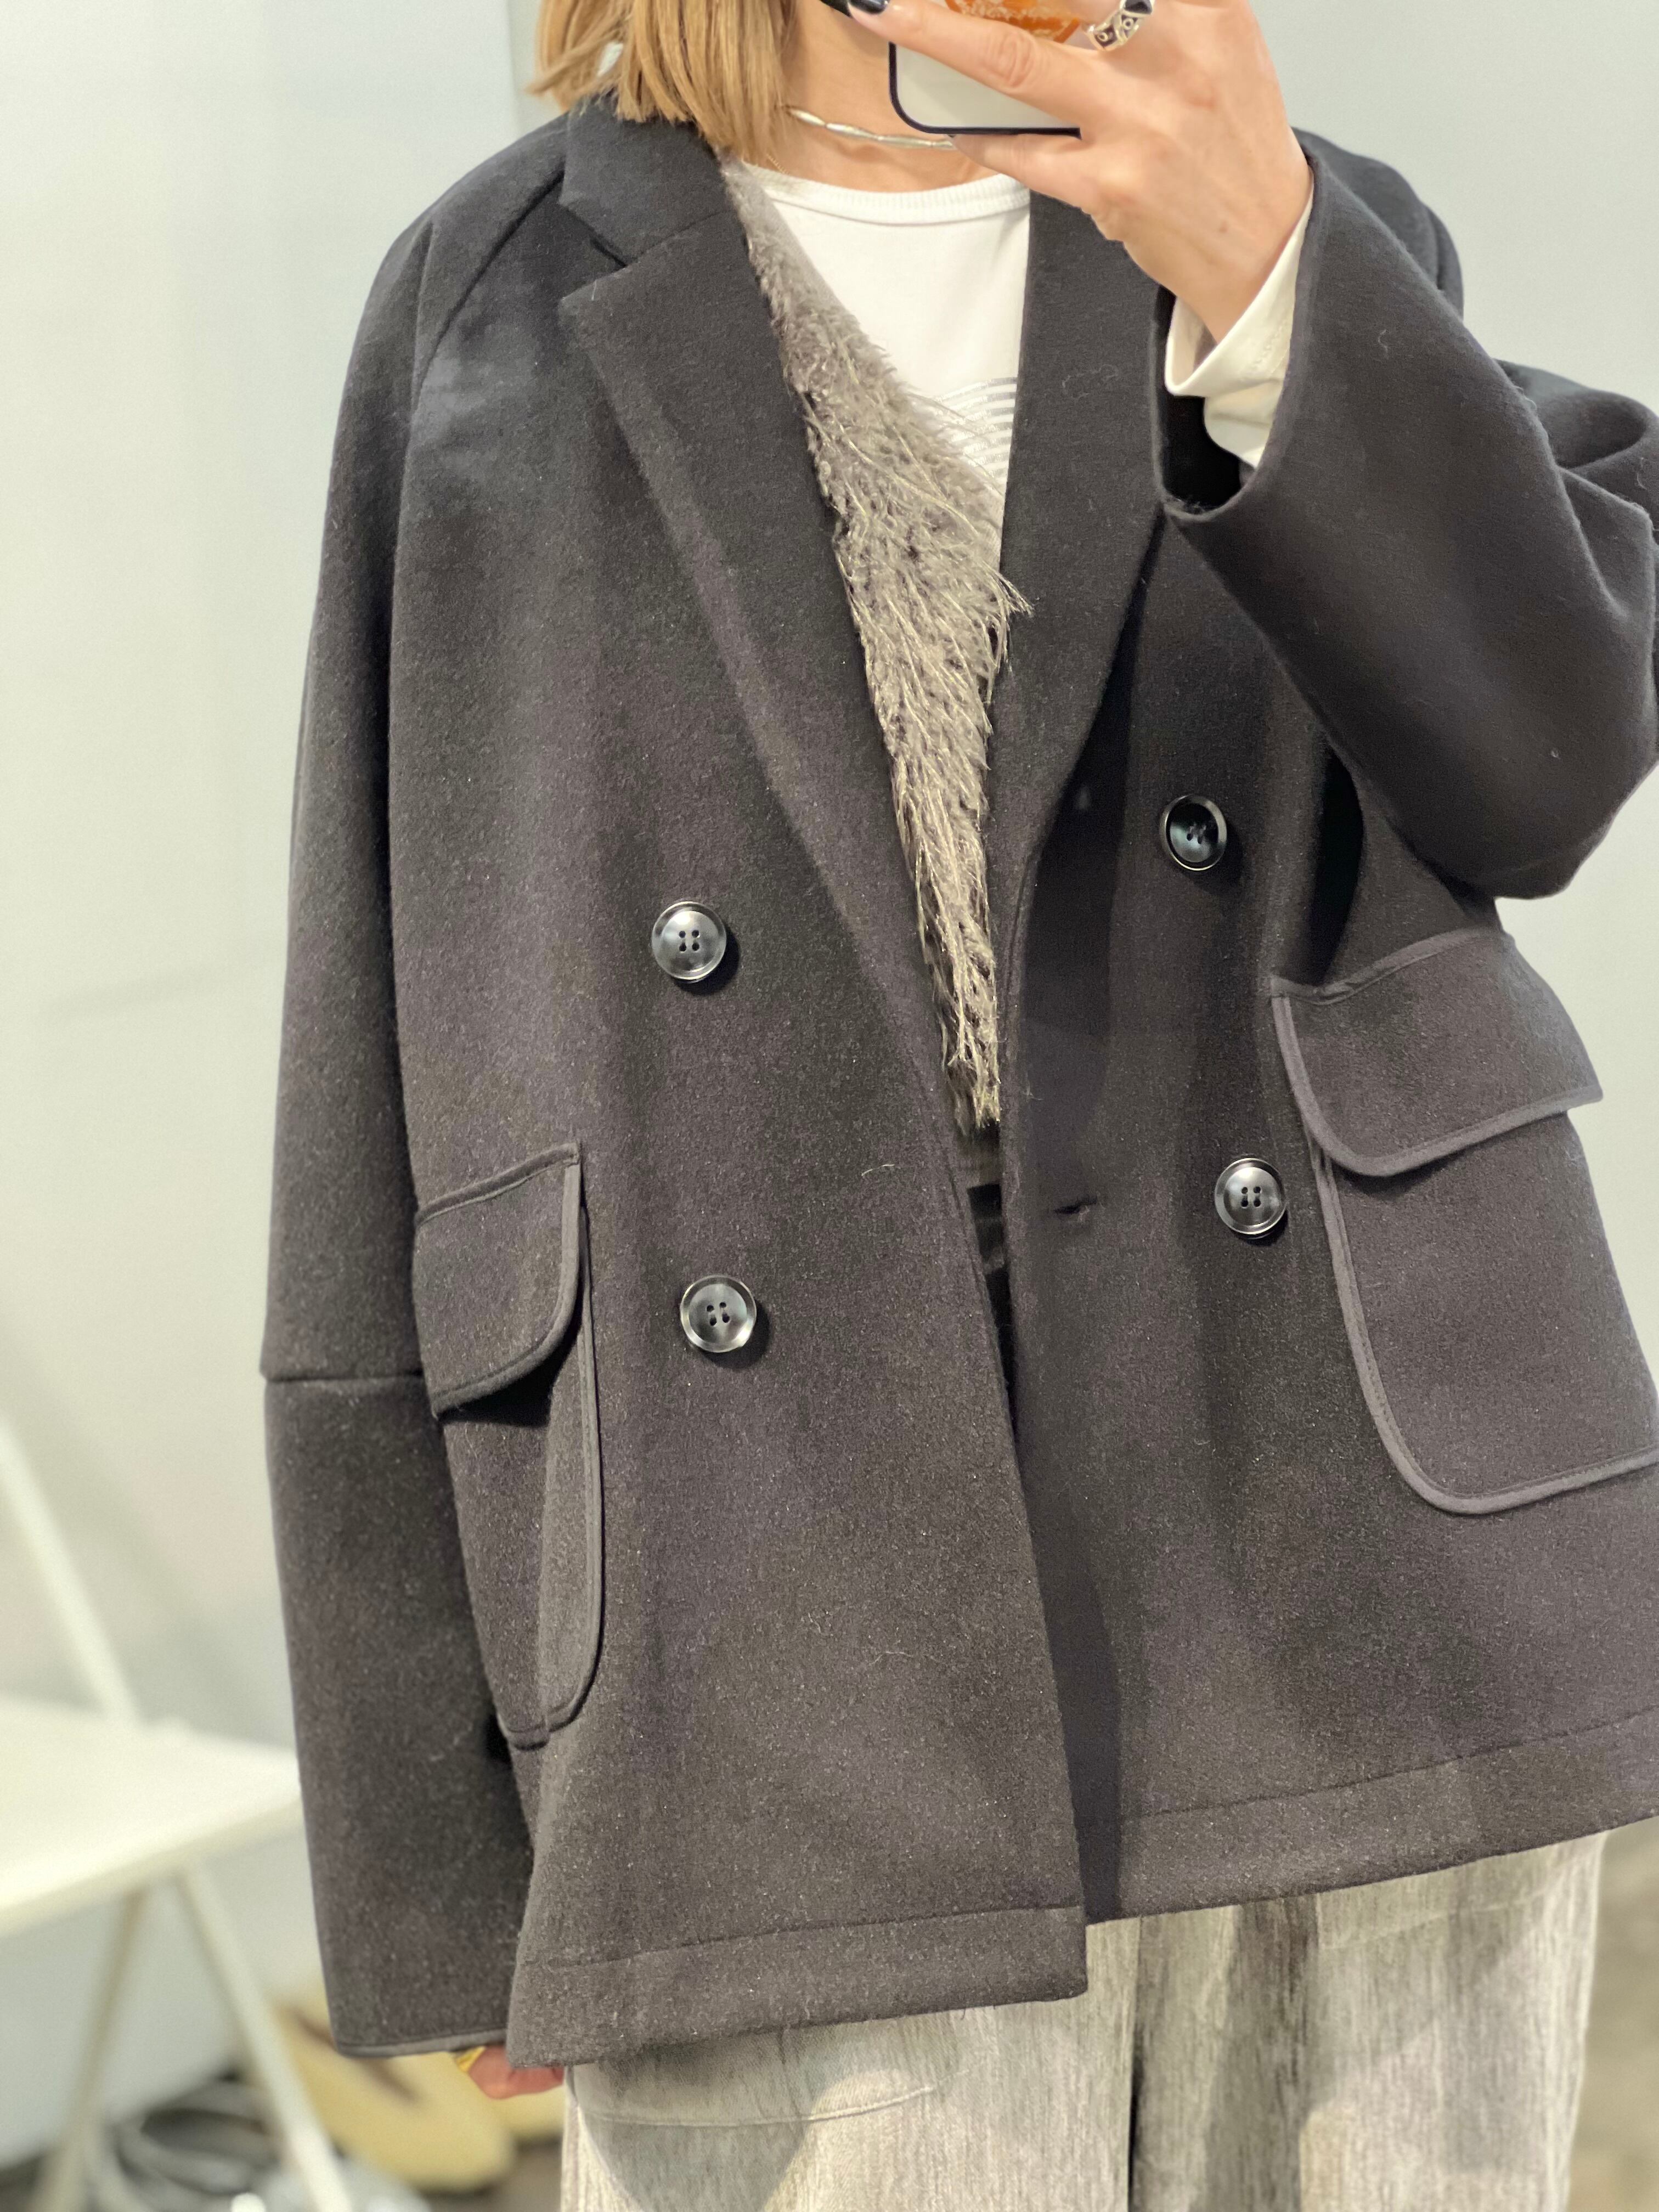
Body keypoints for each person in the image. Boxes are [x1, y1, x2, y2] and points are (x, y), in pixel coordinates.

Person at [259, 0, 1659, 2203]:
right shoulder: (490, 306)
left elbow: (1542, 767)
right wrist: (442, 1859)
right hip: (773, 1630)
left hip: (1346, 1554)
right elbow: (377, 1055)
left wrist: (1273, 276)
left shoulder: (1296, 226)